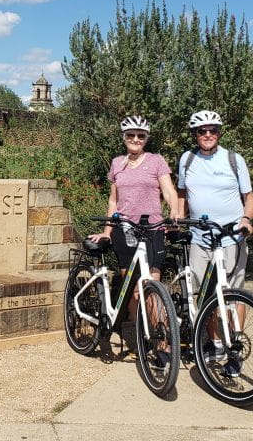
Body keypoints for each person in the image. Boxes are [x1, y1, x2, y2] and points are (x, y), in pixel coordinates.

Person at [89, 116, 180, 362]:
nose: (136, 139)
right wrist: (108, 231)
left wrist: (174, 211)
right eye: (131, 135)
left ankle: (162, 345)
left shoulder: (156, 161)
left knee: (151, 286)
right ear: (124, 138)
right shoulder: (117, 163)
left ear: (146, 138)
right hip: (124, 230)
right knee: (129, 286)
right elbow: (113, 201)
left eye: (140, 135)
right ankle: (134, 335)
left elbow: (169, 190)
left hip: (151, 229)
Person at [177, 110, 253, 378]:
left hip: (231, 237)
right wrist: (177, 218)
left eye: (212, 130)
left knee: (234, 294)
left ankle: (235, 349)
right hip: (200, 240)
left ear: (219, 132)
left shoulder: (234, 160)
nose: (207, 134)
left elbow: (249, 197)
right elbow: (182, 195)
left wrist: (245, 219)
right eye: (202, 131)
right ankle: (216, 344)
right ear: (195, 134)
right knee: (206, 295)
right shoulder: (187, 160)